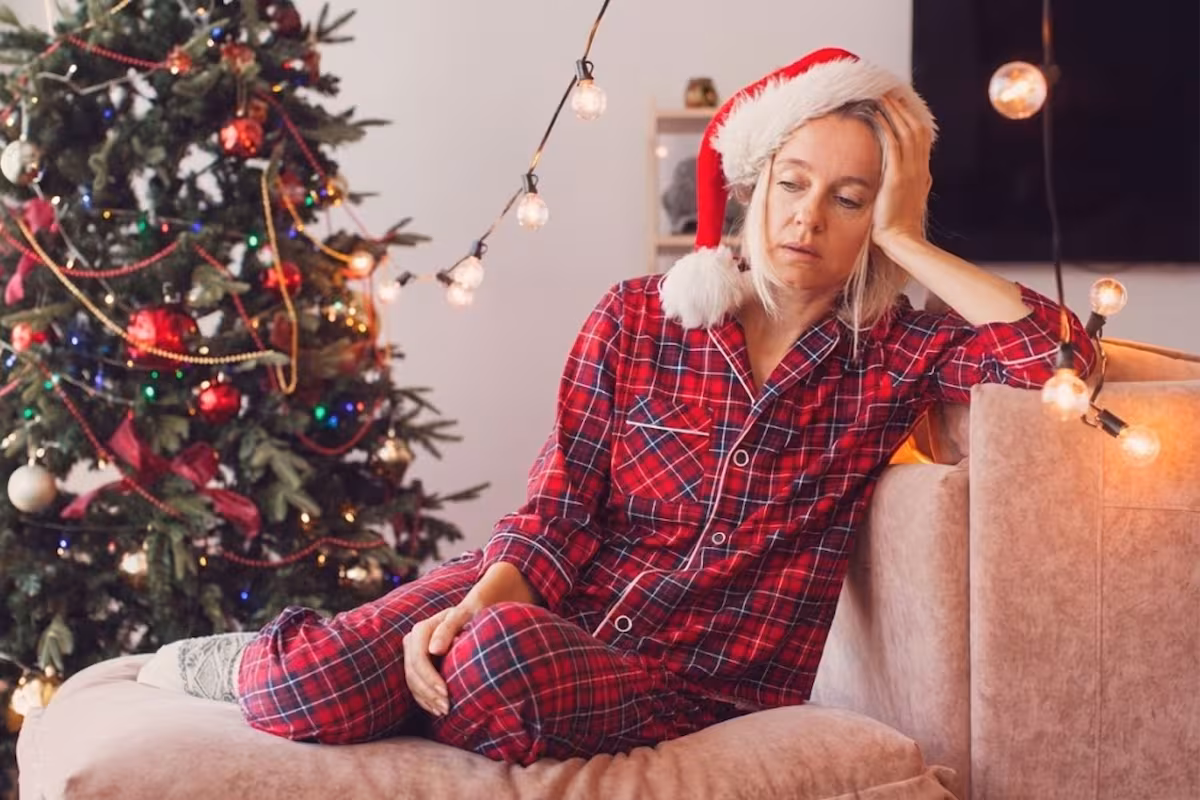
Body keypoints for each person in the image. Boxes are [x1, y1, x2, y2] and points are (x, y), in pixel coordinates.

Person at [181, 47, 1097, 766]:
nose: (808, 219)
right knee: (312, 685)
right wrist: (471, 608)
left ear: (880, 217)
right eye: (791, 184)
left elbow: (1060, 358)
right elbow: (558, 508)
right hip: (538, 594)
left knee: (498, 662)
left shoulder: (898, 354)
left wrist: (908, 236)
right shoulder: (635, 317)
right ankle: (262, 660)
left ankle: (444, 675)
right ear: (754, 185)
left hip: (682, 681)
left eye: (850, 200)